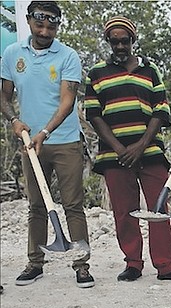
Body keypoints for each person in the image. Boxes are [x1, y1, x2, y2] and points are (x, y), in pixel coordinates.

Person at [84, 16, 171, 284]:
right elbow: (94, 114)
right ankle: (133, 263)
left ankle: (167, 265)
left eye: (125, 40)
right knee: (123, 211)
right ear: (108, 42)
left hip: (150, 151)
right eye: (115, 41)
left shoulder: (150, 70)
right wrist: (121, 148)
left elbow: (161, 110)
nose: (120, 46)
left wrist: (141, 145)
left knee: (159, 209)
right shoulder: (97, 73)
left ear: (133, 40)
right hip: (114, 154)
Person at [1, 1, 94, 288]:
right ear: (29, 21)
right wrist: (15, 120)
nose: (44, 31)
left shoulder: (67, 56)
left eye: (51, 26)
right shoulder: (12, 53)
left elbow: (68, 102)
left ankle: (81, 265)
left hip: (64, 142)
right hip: (30, 144)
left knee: (73, 205)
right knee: (36, 206)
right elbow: (3, 95)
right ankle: (34, 263)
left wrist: (45, 130)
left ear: (57, 26)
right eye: (39, 25)